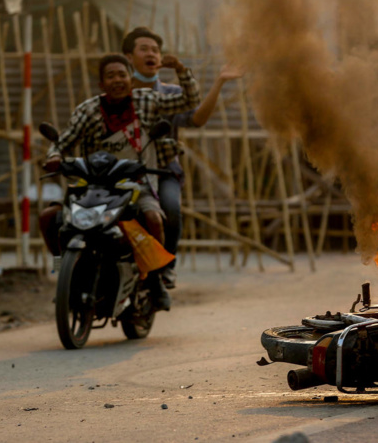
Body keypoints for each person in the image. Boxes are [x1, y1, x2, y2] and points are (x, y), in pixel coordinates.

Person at [39, 53, 200, 310]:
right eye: (110, 76)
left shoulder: (147, 101)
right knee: (49, 217)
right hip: (91, 186)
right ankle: (63, 269)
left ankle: (155, 279)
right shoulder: (88, 110)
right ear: (101, 84)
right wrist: (54, 156)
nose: (117, 80)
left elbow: (189, 100)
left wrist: (181, 69)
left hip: (136, 185)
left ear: (131, 80)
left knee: (155, 220)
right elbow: (63, 141)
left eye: (122, 75)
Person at [122, 27, 243, 289]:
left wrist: (220, 80)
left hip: (163, 169)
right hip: (123, 170)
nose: (151, 54)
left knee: (171, 209)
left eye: (155, 50)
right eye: (144, 49)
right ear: (129, 56)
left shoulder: (170, 94)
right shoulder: (118, 94)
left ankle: (167, 268)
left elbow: (197, 117)